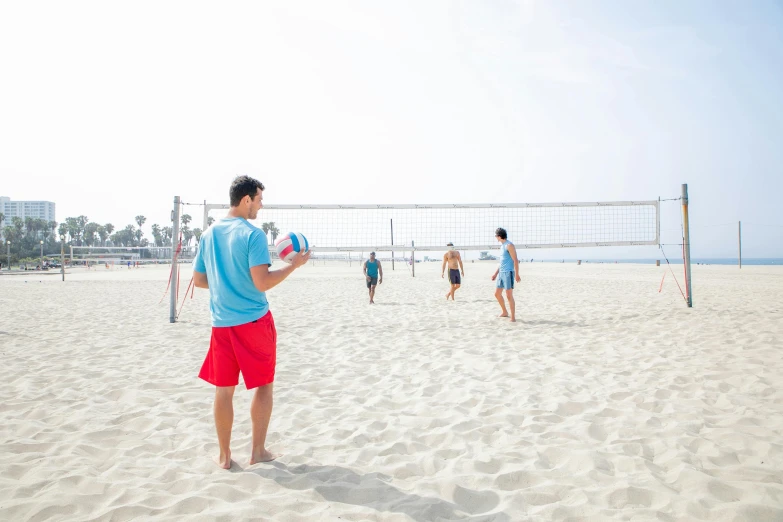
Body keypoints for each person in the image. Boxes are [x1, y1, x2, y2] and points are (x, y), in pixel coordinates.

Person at [193, 175, 311, 469]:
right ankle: (257, 452)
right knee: (263, 386)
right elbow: (262, 283)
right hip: (254, 322)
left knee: (224, 390)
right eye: (259, 199)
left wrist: (227, 283)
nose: (260, 205)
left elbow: (199, 281)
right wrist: (292, 266)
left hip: (221, 324)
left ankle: (224, 456)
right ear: (246, 199)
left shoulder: (208, 234)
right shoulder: (252, 234)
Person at [491, 227, 521, 322]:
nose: (496, 237)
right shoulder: (502, 246)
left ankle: (513, 317)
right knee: (497, 294)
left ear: (499, 236)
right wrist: (495, 274)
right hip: (501, 273)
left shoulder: (509, 245)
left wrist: (517, 274)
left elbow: (515, 260)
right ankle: (504, 312)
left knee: (509, 295)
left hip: (508, 273)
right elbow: (502, 262)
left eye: (496, 236)